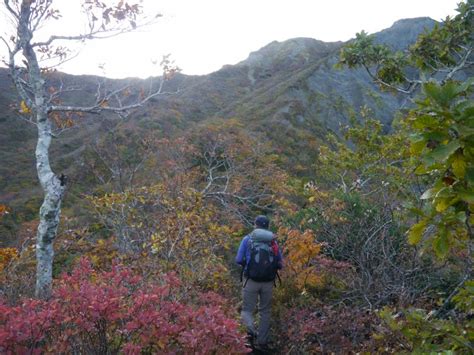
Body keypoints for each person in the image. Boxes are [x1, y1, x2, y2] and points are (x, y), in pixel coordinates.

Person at [235, 215, 283, 350]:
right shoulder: (272, 243)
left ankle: (250, 337)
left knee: (247, 310)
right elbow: (280, 263)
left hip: (250, 280)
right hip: (268, 282)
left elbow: (238, 259)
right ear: (268, 226)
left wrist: (248, 265)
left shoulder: (248, 239)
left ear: (255, 225)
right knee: (265, 312)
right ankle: (263, 342)